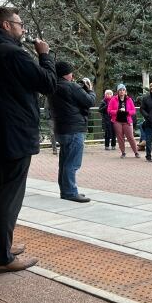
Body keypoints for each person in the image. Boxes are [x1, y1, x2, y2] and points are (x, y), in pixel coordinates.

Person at [0, 7, 56, 273]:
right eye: (20, 24)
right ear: (6, 25)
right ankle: (1, 258)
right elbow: (48, 83)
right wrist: (44, 55)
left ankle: (0, 247)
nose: (23, 29)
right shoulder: (13, 54)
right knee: (10, 193)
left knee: (0, 188)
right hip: (14, 134)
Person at [49, 61, 96, 203]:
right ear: (66, 74)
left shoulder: (52, 87)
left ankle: (66, 190)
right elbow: (89, 101)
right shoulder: (71, 86)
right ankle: (70, 192)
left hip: (61, 129)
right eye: (70, 72)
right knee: (72, 163)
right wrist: (90, 90)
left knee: (64, 162)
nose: (72, 75)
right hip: (74, 129)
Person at [107, 84, 139, 158]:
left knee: (130, 137)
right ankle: (123, 152)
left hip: (127, 121)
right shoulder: (113, 99)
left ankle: (136, 152)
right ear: (118, 91)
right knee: (120, 137)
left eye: (123, 90)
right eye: (120, 90)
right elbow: (109, 111)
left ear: (125, 91)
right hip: (117, 121)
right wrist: (117, 111)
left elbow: (133, 111)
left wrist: (127, 112)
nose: (122, 91)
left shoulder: (129, 99)